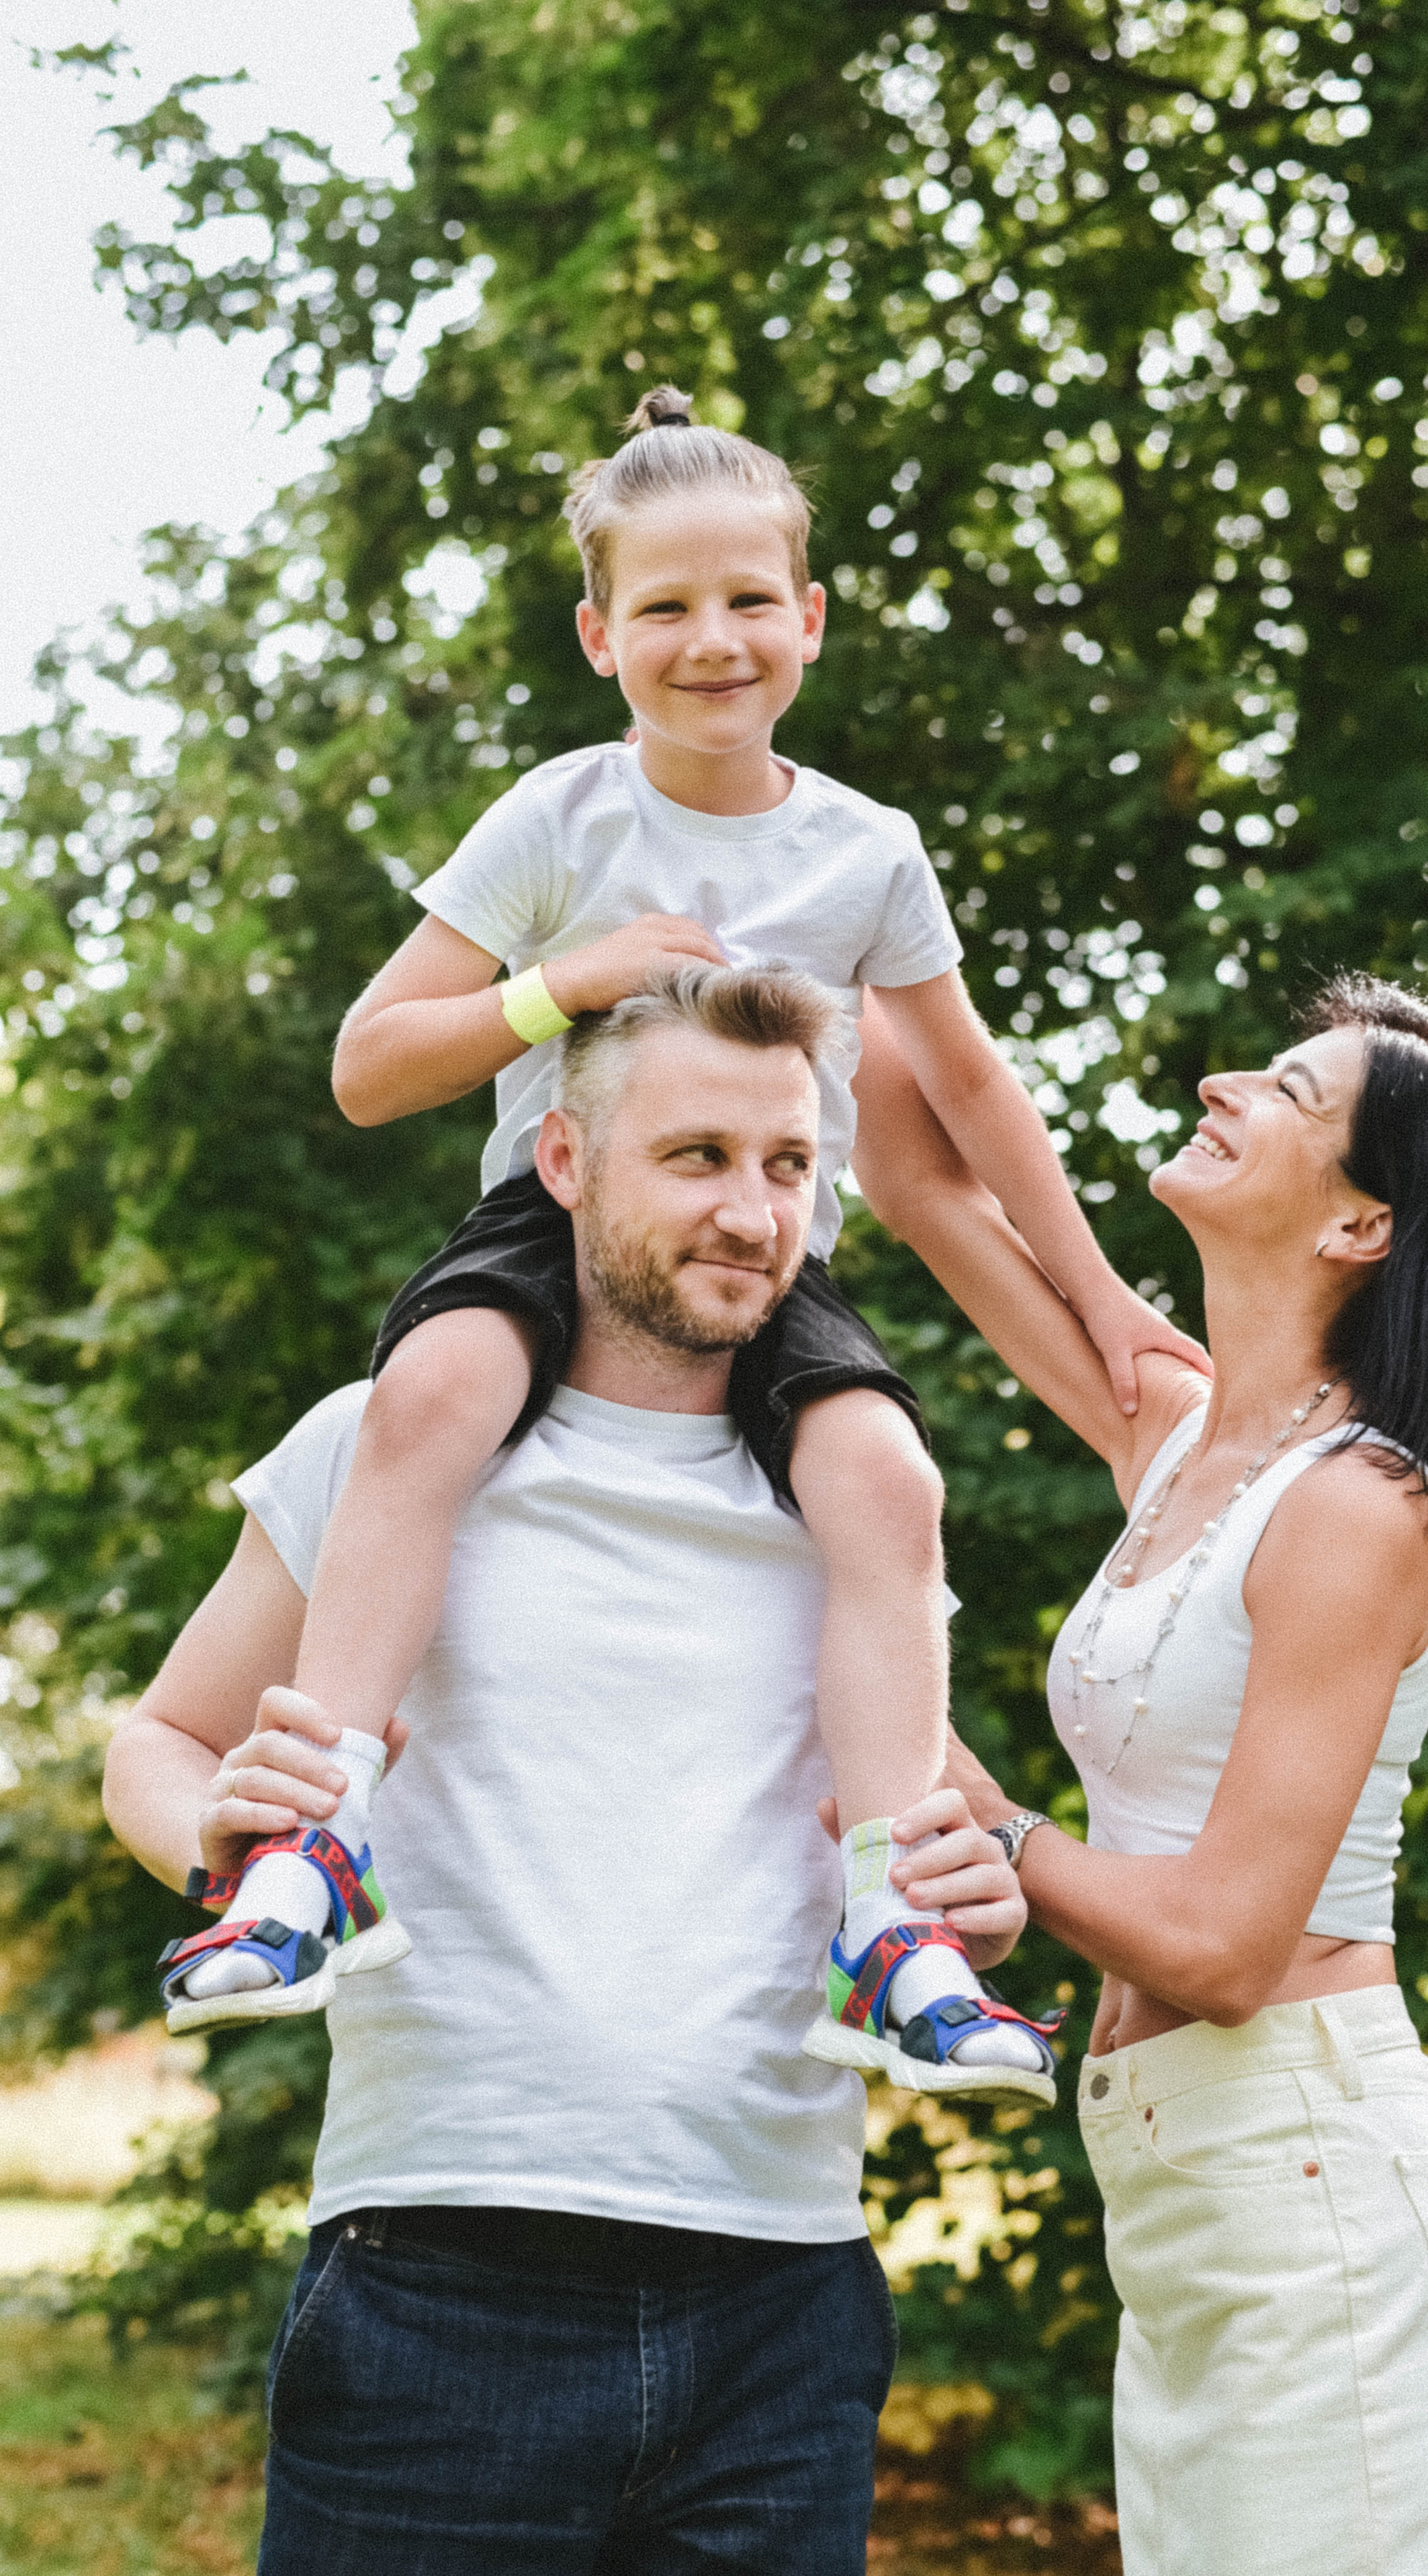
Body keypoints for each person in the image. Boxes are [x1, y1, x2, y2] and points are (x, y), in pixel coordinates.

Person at [161, 385, 1200, 2098]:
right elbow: (367, 1066)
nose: (708, 640)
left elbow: (972, 1099)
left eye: (743, 602)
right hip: (549, 1228)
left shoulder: (867, 851)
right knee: (428, 1396)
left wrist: (1102, 1305)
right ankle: (322, 1828)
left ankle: (888, 1918)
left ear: (809, 619)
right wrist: (555, 984)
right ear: (597, 635)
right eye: (662, 607)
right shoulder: (562, 817)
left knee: (886, 1478)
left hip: (761, 1246)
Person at [106, 963, 1035, 2575]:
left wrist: (976, 1891)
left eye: (788, 1166)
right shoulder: (384, 1440)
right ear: (562, 1162)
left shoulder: (852, 1496)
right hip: (433, 2282)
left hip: (782, 2304)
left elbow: (933, 1819)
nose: (755, 1214)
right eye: (695, 1158)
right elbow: (158, 1738)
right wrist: (215, 1824)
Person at [850, 972, 1428, 2575]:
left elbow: (1226, 1950)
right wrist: (831, 913)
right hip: (1193, 2207)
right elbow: (911, 1177)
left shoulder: (1359, 1508)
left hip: (1320, 2207)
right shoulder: (1178, 1434)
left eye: (1291, 1096)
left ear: (1358, 1227)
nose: (1223, 1084)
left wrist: (975, 1806)